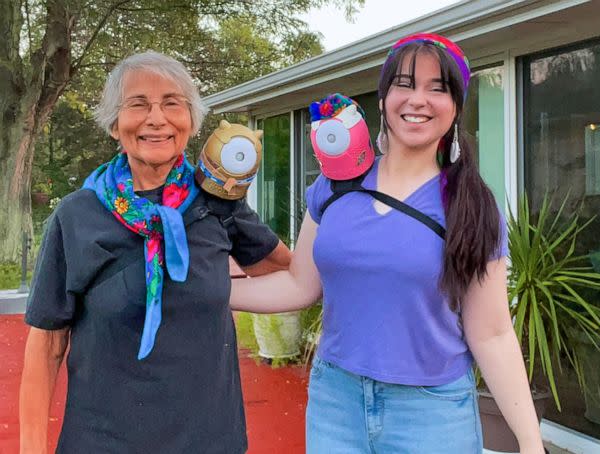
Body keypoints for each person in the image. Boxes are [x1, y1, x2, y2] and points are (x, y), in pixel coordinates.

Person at [230, 34, 546, 453]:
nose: (419, 99)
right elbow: (299, 284)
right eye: (405, 84)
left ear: (455, 108)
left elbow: (490, 334)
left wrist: (530, 442)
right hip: (335, 403)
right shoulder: (335, 187)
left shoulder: (471, 205)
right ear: (382, 100)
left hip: (431, 414)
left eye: (438, 88)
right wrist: (209, 286)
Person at [19, 50, 290, 453]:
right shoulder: (77, 214)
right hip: (103, 441)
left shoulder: (217, 202)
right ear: (115, 124)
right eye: (138, 104)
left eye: (171, 103)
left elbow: (286, 274)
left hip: (209, 440)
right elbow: (46, 344)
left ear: (190, 121)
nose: (156, 118)